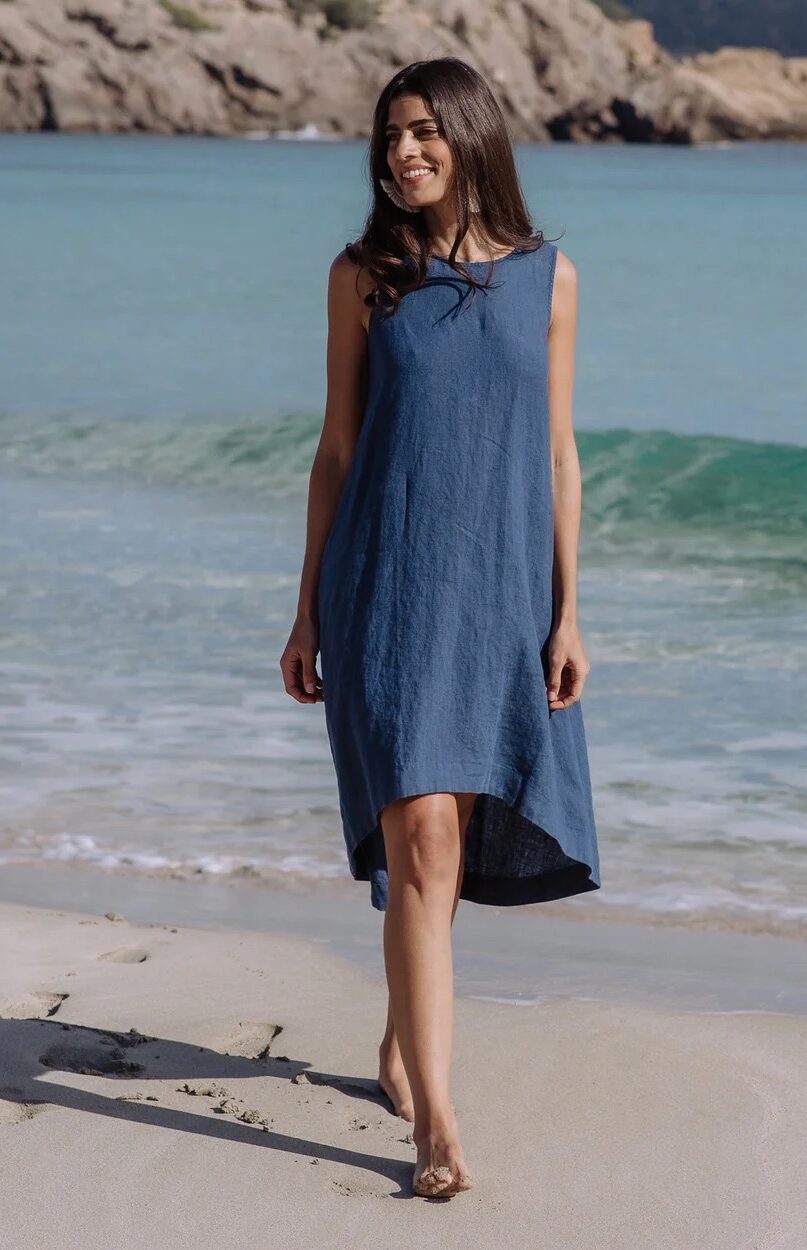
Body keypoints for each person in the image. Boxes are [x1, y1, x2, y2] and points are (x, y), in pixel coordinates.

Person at [280, 57, 601, 1200]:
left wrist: (568, 611)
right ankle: (438, 1119)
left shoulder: (548, 280)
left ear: (469, 136)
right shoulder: (363, 277)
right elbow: (335, 450)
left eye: (422, 132)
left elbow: (558, 454)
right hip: (385, 587)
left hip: (498, 595)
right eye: (389, 137)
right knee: (418, 834)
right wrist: (305, 606)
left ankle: (398, 1039)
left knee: (444, 848)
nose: (402, 153)